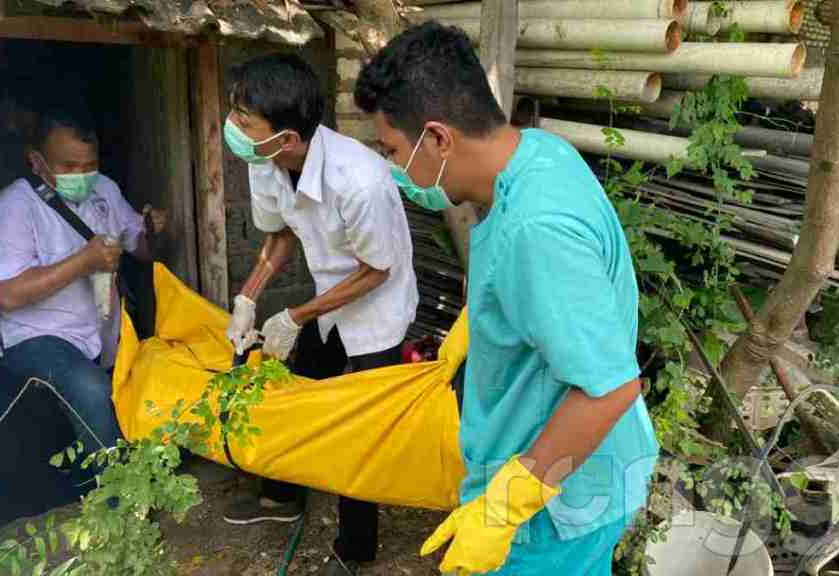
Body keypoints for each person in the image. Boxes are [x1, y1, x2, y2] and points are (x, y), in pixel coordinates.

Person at [354, 22, 660, 576]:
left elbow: (611, 388)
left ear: (440, 137)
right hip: (558, 470)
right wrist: (483, 319)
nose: (396, 169)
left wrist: (503, 509)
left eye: (394, 150)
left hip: (556, 502)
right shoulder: (532, 155)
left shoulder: (537, 229)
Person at [221, 54, 418, 576]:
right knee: (291, 393)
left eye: (245, 120)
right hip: (328, 301)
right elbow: (280, 233)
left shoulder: (361, 181)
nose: (234, 128)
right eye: (235, 112)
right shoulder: (264, 159)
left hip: (376, 308)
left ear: (286, 137)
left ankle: (355, 549)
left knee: (360, 427)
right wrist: (249, 295)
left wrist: (294, 315)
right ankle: (282, 494)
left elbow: (378, 269)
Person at [0, 104, 166, 459]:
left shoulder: (105, 190)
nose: (81, 175)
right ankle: (119, 503)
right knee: (92, 390)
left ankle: (129, 477)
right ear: (36, 162)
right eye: (68, 167)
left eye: (89, 166)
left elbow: (141, 249)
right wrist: (84, 261)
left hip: (100, 335)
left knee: (152, 375)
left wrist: (152, 230)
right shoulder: (14, 207)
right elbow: (8, 295)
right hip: (33, 336)